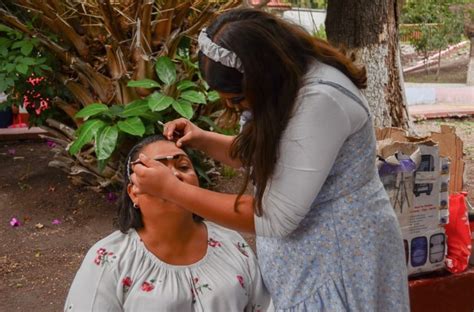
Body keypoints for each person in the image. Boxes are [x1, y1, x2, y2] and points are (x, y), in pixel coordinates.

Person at [131, 8, 410, 311]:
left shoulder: (320, 102)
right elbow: (279, 155)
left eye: (236, 100)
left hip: (341, 261)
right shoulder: (288, 81)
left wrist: (173, 191)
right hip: (310, 264)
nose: (232, 107)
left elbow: (275, 215)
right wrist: (203, 139)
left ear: (262, 75)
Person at [64, 135, 272, 311]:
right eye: (157, 172)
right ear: (133, 192)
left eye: (183, 166)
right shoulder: (108, 260)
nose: (172, 177)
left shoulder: (232, 244)